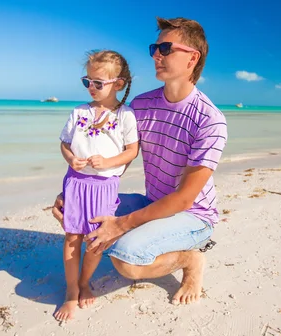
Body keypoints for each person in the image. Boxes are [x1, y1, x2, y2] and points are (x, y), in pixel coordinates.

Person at [53, 17, 227, 306]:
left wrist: (121, 224)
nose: (156, 55)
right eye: (154, 48)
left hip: (193, 215)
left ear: (192, 58)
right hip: (153, 202)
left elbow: (184, 199)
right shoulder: (142, 106)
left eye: (166, 48)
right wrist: (73, 192)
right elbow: (115, 153)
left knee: (127, 261)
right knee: (88, 214)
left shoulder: (209, 120)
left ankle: (190, 259)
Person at [53, 50, 139, 322]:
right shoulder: (78, 111)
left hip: (104, 186)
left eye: (98, 83)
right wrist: (71, 158)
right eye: (87, 81)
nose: (91, 87)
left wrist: (108, 161)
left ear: (119, 84)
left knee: (94, 240)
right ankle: (70, 290)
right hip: (76, 182)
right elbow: (65, 143)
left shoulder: (125, 116)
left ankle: (85, 281)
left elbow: (132, 151)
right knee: (71, 237)